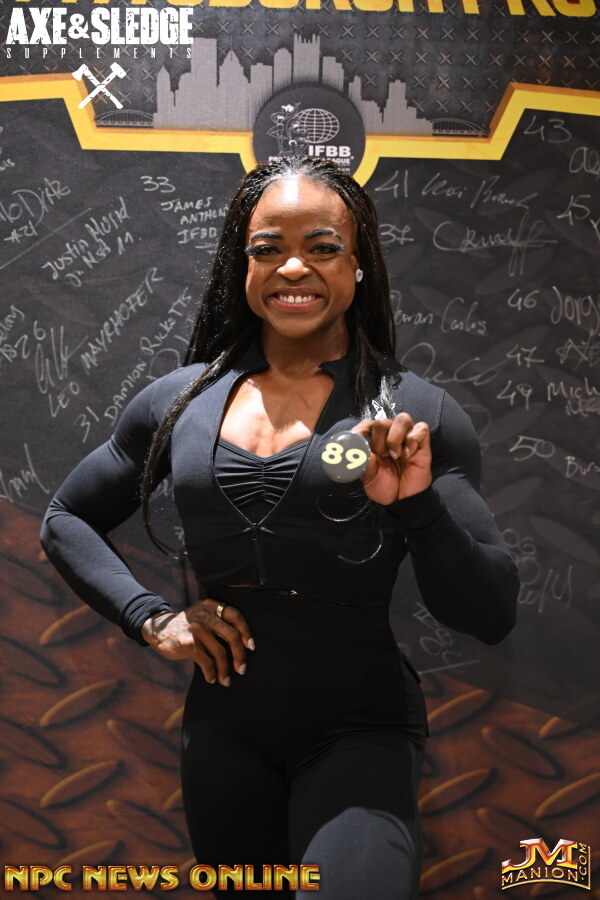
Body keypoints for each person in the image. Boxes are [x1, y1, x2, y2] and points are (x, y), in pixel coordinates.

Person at [40, 156, 519, 899]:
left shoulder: (415, 413)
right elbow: (65, 518)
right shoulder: (177, 403)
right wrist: (152, 619)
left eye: (323, 246)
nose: (293, 267)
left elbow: (488, 612)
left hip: (361, 733)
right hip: (224, 738)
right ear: (244, 267)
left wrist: (418, 507)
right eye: (268, 249)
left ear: (358, 265)